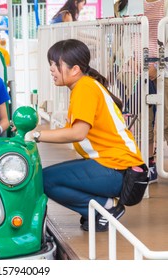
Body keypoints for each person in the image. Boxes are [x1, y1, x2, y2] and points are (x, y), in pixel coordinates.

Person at [25, 39, 145, 232]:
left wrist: (36, 135)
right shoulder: (85, 86)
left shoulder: (85, 88)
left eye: (56, 64)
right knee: (49, 176)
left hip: (117, 169)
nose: (52, 69)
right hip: (117, 166)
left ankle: (105, 207)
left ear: (75, 69)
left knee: (45, 179)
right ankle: (97, 208)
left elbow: (78, 133)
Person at [143, 0, 166, 183]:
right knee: (145, 119)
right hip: (139, 68)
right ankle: (149, 164)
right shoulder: (127, 4)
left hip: (162, 70)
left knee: (165, 122)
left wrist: (157, 67)